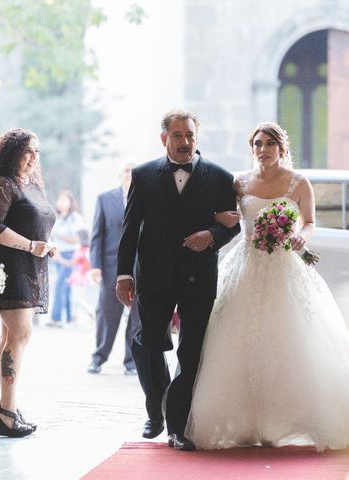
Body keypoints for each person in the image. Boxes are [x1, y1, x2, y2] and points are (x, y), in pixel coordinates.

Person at [184, 121, 349, 451]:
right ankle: (244, 424)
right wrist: (218, 221)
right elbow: (227, 217)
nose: (263, 150)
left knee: (288, 342)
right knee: (238, 343)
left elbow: (309, 222)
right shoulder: (238, 182)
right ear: (251, 148)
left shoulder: (299, 182)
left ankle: (286, 422)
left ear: (282, 148)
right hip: (246, 264)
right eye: (257, 144)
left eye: (269, 144)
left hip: (284, 266)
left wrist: (300, 236)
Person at [116, 109, 240, 451]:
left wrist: (210, 236)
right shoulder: (143, 175)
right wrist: (124, 273)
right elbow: (129, 230)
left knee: (191, 352)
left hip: (198, 277)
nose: (185, 142)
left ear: (196, 138)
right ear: (164, 138)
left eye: (190, 136)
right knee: (145, 344)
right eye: (178, 136)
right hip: (154, 276)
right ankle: (156, 408)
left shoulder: (219, 177)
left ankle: (176, 426)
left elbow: (234, 225)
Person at [0, 128, 57, 437]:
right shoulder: (2, 184)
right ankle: (7, 411)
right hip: (10, 265)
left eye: (36, 152)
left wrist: (46, 243)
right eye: (27, 151)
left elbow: (38, 222)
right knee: (20, 336)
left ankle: (7, 406)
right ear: (12, 153)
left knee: (9, 337)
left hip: (32, 264)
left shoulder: (33, 184)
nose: (33, 157)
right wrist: (29, 245)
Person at [88, 163, 140, 375]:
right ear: (120, 174)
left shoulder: (145, 198)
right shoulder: (104, 199)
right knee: (107, 315)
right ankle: (98, 358)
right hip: (111, 267)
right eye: (126, 170)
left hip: (140, 268)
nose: (129, 173)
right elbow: (96, 235)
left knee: (137, 317)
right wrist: (95, 266)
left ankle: (131, 361)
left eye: (133, 170)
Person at [49, 190, 85, 326]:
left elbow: (77, 239)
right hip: (58, 255)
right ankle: (69, 318)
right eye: (60, 200)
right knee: (66, 286)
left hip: (71, 255)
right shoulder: (56, 218)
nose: (61, 203)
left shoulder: (75, 218)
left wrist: (57, 234)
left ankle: (56, 318)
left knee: (60, 285)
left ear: (71, 203)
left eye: (65, 200)